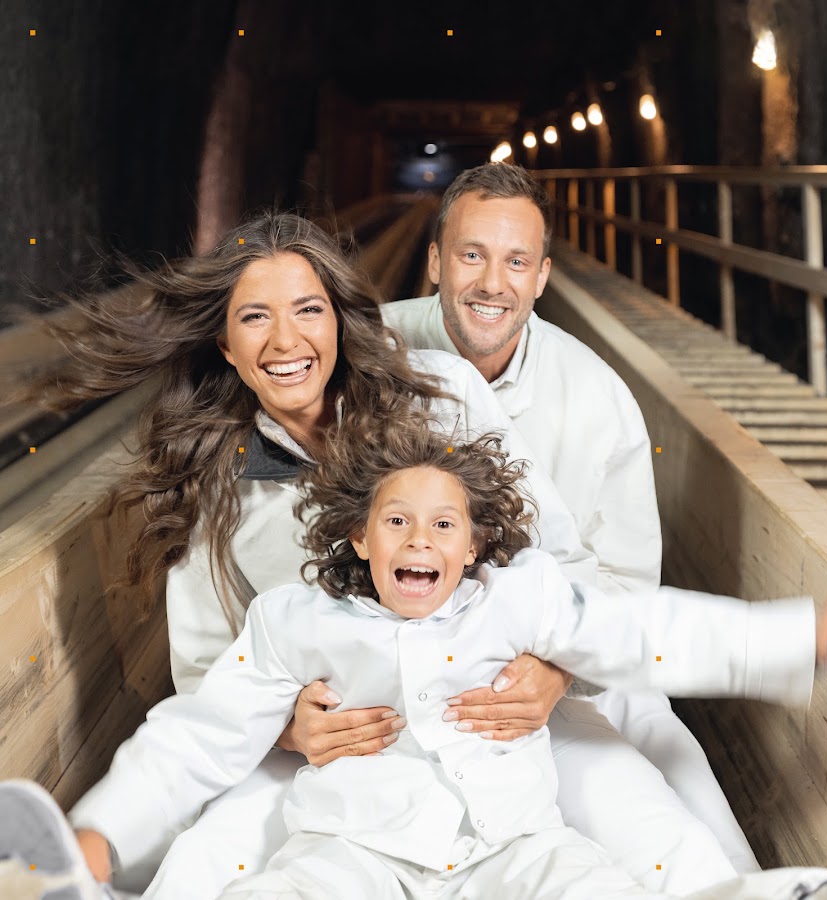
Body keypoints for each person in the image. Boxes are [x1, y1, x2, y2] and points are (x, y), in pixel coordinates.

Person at [17, 211, 675, 898]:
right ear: (225, 343)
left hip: (502, 717)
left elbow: (560, 560)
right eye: (254, 318)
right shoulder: (216, 483)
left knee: (656, 830)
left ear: (338, 320)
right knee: (206, 861)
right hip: (340, 753)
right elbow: (209, 683)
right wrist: (287, 729)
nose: (285, 340)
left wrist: (555, 672)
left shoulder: (443, 394)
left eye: (308, 309)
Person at [1, 423, 827, 900]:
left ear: (474, 546)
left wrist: (795, 637)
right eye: (396, 522)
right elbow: (198, 733)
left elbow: (644, 631)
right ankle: (79, 889)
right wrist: (101, 834)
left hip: (511, 845)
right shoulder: (296, 620)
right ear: (360, 537)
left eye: (443, 524)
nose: (419, 538)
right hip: (355, 846)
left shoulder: (522, 598)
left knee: (599, 891)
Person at [380, 162, 760, 879]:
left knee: (674, 768)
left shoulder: (597, 397)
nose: (493, 283)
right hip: (414, 652)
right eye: (471, 254)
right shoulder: (369, 354)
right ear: (434, 261)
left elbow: (625, 582)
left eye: (516, 261)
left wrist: (560, 670)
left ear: (542, 277)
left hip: (569, 653)